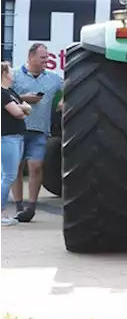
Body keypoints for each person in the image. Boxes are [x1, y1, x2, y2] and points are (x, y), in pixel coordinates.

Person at [11, 43, 64, 223]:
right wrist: (24, 98)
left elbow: (72, 85)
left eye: (47, 57)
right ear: (31, 56)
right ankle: (19, 206)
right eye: (42, 57)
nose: (46, 61)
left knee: (35, 166)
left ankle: (31, 206)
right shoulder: (15, 75)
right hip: (16, 129)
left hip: (40, 131)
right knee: (16, 168)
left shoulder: (54, 78)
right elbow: (4, 95)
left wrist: (64, 99)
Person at [0, 62, 32, 227]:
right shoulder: (2, 94)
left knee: (5, 175)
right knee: (9, 176)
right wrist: (24, 107)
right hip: (7, 138)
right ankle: (1, 212)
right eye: (10, 71)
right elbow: (19, 113)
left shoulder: (10, 93)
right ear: (4, 74)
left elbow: (23, 108)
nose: (13, 74)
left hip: (16, 137)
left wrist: (23, 107)